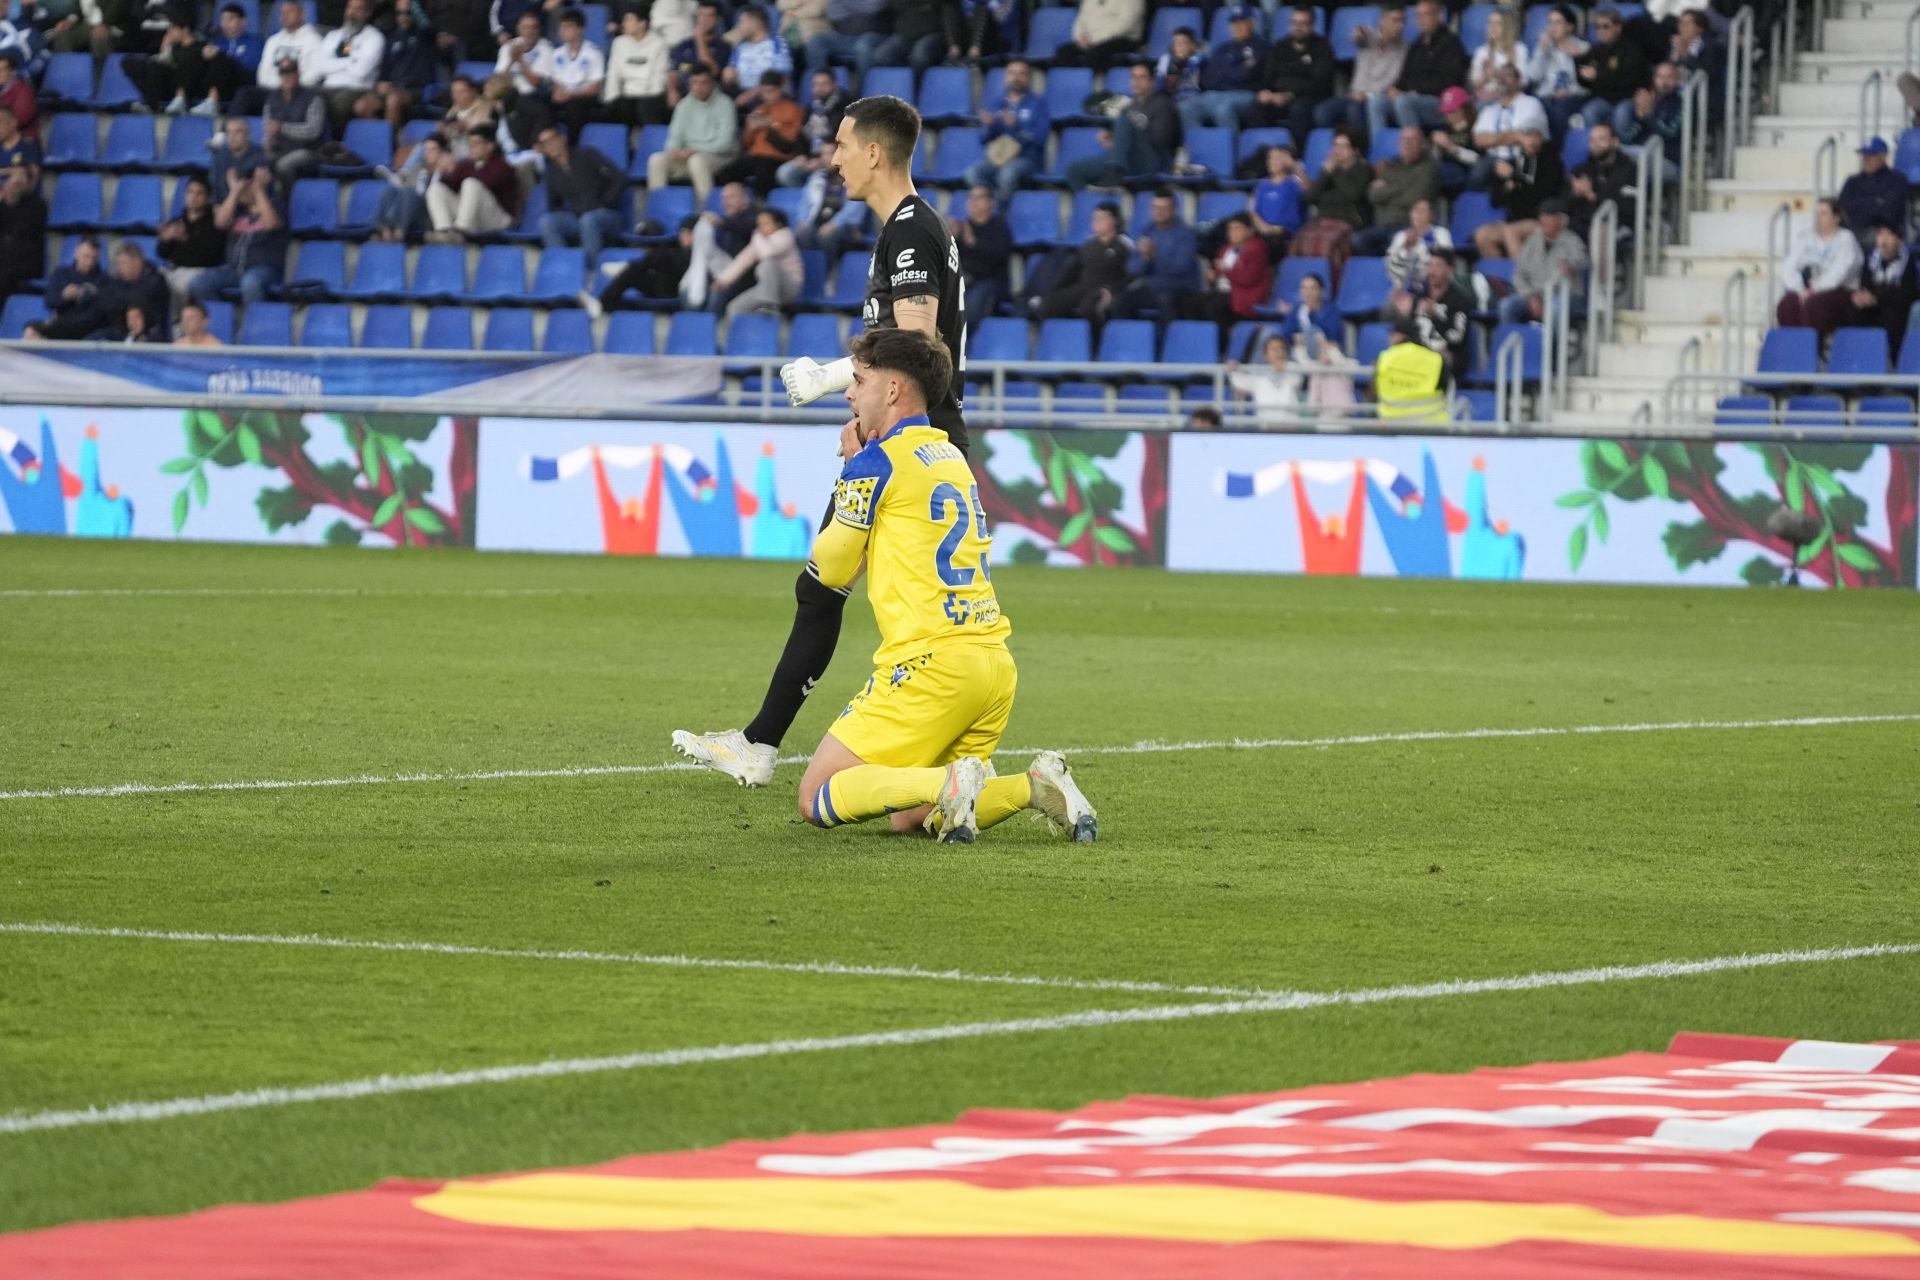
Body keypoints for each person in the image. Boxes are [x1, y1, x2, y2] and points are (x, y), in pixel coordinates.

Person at [673, 93, 973, 786]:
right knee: (830, 587)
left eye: (841, 145)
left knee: (881, 597)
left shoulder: (910, 232)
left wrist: (831, 375)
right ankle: (762, 743)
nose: (832, 159)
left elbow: (919, 342)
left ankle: (939, 764)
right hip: (903, 436)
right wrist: (863, 410)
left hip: (914, 445)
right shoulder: (910, 228)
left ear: (873, 152)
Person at [790, 327, 1098, 845]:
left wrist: (848, 472)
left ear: (891, 391)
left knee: (817, 795)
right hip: (992, 667)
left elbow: (833, 568)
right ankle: (1033, 787)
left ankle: (950, 781)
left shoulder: (874, 462)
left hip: (930, 668)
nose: (848, 393)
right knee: (911, 815)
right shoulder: (952, 457)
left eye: (859, 380)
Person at [1064, 61, 1178, 191]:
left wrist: (1132, 135)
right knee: (1074, 170)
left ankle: (1115, 174)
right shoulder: (1129, 106)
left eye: (1142, 77)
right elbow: (1122, 139)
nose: (1136, 81)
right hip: (1125, 162)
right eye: (1133, 77)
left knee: (1124, 121)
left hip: (1151, 161)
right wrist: (1113, 140)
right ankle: (1090, 204)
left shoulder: (1163, 104)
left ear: (1152, 81)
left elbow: (1161, 142)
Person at [191, 166, 287, 306]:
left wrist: (259, 190)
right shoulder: (237, 210)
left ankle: (253, 325)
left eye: (246, 186)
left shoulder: (275, 205)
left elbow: (271, 224)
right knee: (199, 283)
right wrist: (234, 191)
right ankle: (220, 321)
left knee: (250, 283)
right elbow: (220, 223)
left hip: (265, 269)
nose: (242, 189)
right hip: (234, 269)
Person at [648, 65, 738, 204]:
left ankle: (707, 209)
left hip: (720, 157)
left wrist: (694, 150)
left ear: (712, 83)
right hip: (689, 156)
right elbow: (674, 138)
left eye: (703, 82)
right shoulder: (683, 105)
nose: (698, 87)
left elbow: (724, 144)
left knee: (696, 160)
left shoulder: (725, 104)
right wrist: (674, 151)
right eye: (694, 82)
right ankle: (658, 208)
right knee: (656, 160)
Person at [1775, 197, 1863, 336]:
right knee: (1787, 304)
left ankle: (1811, 351)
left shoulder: (1846, 238)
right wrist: (1800, 290)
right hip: (1807, 290)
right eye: (1817, 213)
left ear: (1836, 218)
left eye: (1823, 213)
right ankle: (1793, 352)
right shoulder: (1806, 238)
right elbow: (1789, 266)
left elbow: (1840, 273)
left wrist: (1814, 290)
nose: (1818, 217)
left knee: (1814, 306)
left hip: (1839, 291)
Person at [536, 124, 625, 262]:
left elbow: (619, 179)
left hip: (607, 214)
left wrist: (605, 202)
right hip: (578, 215)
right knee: (546, 222)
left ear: (562, 139)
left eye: (552, 140)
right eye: (545, 143)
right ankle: (565, 267)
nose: (550, 145)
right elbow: (553, 204)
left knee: (588, 220)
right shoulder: (550, 173)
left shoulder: (587, 154)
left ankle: (589, 271)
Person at [965, 57, 1047, 203]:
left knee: (1007, 174)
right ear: (1005, 77)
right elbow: (982, 139)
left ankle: (1002, 215)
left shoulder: (1038, 104)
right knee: (973, 173)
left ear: (1029, 78)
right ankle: (990, 206)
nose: (1016, 78)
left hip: (1027, 159)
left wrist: (1015, 127)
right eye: (1012, 73)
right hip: (999, 157)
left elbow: (1039, 140)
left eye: (1021, 74)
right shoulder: (995, 103)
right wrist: (988, 126)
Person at [1034, 200, 1131, 323]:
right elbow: (1070, 270)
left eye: (1100, 218)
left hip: (1104, 289)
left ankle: (1095, 341)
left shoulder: (1124, 245)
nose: (1095, 222)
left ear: (1114, 220)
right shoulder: (1089, 245)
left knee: (1090, 308)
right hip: (1084, 287)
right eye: (1094, 218)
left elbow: (1129, 273)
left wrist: (1112, 290)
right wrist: (1053, 290)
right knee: (1051, 302)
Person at [1474, 126, 1564, 259]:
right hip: (1513, 220)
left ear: (1541, 139)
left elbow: (1541, 193)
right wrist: (1506, 187)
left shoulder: (1551, 162)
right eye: (1527, 137)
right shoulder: (1514, 163)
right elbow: (1495, 201)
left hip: (1538, 220)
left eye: (1535, 137)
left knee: (1511, 232)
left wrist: (1514, 177)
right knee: (1482, 235)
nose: (1531, 141)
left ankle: (1520, 277)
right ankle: (1497, 277)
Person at [1182, 212, 1272, 344]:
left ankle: (1222, 348)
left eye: (1237, 228)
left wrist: (1226, 270)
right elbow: (1220, 275)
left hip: (1243, 297)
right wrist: (1212, 277)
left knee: (1215, 307)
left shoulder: (1257, 249)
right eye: (1230, 229)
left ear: (1250, 231)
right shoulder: (1225, 250)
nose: (1232, 233)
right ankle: (1198, 344)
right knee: (1189, 303)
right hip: (1221, 294)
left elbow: (1248, 279)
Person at [1111, 188, 1199, 322]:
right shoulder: (1148, 230)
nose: (1159, 212)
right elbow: (1132, 268)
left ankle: (1168, 341)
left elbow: (1180, 267)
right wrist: (1145, 259)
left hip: (1180, 288)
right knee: (1120, 300)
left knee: (1165, 300)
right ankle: (1132, 340)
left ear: (1174, 209)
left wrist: (1154, 255)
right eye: (1155, 207)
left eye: (1164, 208)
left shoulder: (1186, 234)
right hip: (1151, 287)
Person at [582, 213, 695, 316]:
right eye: (683, 233)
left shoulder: (698, 252)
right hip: (659, 285)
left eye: (689, 234)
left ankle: (625, 266)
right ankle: (602, 304)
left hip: (676, 291)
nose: (685, 238)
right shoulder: (675, 247)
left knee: (662, 255)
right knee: (633, 271)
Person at [716, 69, 806, 194]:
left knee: (763, 174)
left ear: (779, 89)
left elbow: (789, 145)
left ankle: (760, 204)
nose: (767, 95)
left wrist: (771, 125)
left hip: (778, 158)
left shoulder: (793, 110)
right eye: (763, 92)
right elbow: (746, 144)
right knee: (723, 175)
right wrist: (751, 130)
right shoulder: (759, 109)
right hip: (756, 156)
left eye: (771, 91)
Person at [1258, 5, 1337, 145]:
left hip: (1313, 97)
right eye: (1294, 23)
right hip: (1279, 96)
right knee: (1258, 106)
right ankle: (1267, 150)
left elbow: (1320, 83)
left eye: (1303, 24)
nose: (1297, 27)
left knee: (1298, 110)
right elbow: (1269, 75)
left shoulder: (1323, 47)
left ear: (1312, 25)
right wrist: (1266, 92)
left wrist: (1290, 95)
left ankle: (1301, 153)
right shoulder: (1280, 46)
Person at [1501, 196, 1587, 325]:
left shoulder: (1572, 241)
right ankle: (1514, 342)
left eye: (1549, 216)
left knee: (1556, 307)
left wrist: (1570, 266)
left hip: (1565, 296)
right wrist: (1531, 296)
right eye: (1542, 215)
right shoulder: (1532, 242)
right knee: (1507, 305)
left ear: (1561, 220)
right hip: (1535, 295)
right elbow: (1518, 274)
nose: (1543, 220)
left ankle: (1552, 345)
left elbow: (1584, 261)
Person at [427, 125, 520, 240]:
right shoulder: (466, 164)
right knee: (436, 188)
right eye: (469, 143)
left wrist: (460, 173)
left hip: (499, 220)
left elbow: (487, 183)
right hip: (474, 217)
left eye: (476, 143)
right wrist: (447, 172)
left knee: (470, 184)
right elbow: (451, 186)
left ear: (490, 146)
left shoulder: (502, 165)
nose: (471, 147)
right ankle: (444, 232)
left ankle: (460, 231)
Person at [709, 205, 804, 317]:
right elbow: (742, 261)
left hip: (789, 287)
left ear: (778, 225)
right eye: (759, 224)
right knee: (735, 308)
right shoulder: (760, 241)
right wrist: (723, 280)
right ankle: (746, 332)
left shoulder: (785, 235)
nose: (760, 228)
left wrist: (757, 236)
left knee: (766, 265)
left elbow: (767, 253)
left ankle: (770, 306)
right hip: (767, 289)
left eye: (765, 224)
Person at [1356, 125, 1439, 254]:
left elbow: (1416, 198)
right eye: (1403, 139)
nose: (1407, 143)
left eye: (1412, 140)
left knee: (1396, 240)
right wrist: (1406, 184)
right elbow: (1373, 195)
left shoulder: (1428, 167)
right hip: (1383, 224)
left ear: (1422, 144)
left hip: (1408, 224)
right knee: (1358, 240)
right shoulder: (1391, 165)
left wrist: (1387, 191)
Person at [1181, 5, 1265, 131]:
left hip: (1244, 94)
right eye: (1234, 23)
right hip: (1215, 93)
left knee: (1223, 109)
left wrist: (1226, 71)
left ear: (1252, 23)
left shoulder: (1261, 47)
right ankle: (1198, 145)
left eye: (1241, 23)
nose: (1236, 27)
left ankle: (1229, 149)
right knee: (1186, 107)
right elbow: (1209, 78)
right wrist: (1236, 68)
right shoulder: (1223, 48)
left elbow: (1247, 75)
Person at [1392, 0, 1469, 131]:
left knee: (1403, 102)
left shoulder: (1451, 42)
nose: (1421, 20)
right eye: (1418, 15)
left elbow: (1451, 81)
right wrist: (1395, 88)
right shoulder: (1416, 45)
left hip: (1440, 102)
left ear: (1439, 16)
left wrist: (1417, 91)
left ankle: (1416, 145)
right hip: (1414, 97)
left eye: (1425, 14)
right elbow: (1405, 76)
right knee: (1378, 102)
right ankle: (1378, 147)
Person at [1468, 65, 1547, 191]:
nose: (1502, 80)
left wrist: (1494, 139)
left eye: (1507, 76)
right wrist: (1515, 136)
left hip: (1521, 157)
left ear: (1518, 81)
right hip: (1493, 160)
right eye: (1499, 77)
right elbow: (1478, 140)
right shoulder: (1489, 110)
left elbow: (1530, 140)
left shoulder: (1531, 104)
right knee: (1476, 175)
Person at [238, 0, 323, 117]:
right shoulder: (273, 41)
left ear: (302, 14)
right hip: (272, 90)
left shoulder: (313, 40)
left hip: (298, 92)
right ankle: (225, 132)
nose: (285, 16)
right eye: (282, 13)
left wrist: (290, 85)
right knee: (245, 94)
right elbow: (262, 74)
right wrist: (280, 85)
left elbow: (315, 74)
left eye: (289, 12)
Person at [1397, 246, 1473, 372]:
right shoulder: (1419, 298)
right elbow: (1409, 329)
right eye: (1430, 265)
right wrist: (1399, 327)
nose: (1432, 271)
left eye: (1438, 266)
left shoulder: (1459, 301)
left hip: (1445, 357)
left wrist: (1434, 316)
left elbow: (1456, 338)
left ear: (1449, 270)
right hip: (1417, 354)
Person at [310, 0, 385, 126]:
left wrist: (334, 63)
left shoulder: (374, 37)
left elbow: (360, 72)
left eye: (358, 9)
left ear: (367, 13)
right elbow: (320, 67)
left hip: (357, 88)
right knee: (308, 96)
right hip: (329, 86)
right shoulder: (333, 36)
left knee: (339, 103)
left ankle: (338, 141)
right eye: (350, 8)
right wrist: (351, 60)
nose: (352, 13)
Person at [1575, 6, 1649, 135]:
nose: (1600, 31)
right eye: (1597, 27)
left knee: (1621, 114)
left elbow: (1630, 80)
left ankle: (1623, 152)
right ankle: (1597, 149)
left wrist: (1598, 75)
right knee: (1589, 111)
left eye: (1605, 26)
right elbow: (1585, 81)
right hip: (1604, 99)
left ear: (1618, 27)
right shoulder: (1596, 50)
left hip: (1628, 98)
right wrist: (1580, 66)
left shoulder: (1631, 49)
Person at [368, 1, 438, 132]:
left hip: (417, 89)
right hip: (394, 87)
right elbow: (384, 70)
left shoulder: (424, 36)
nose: (403, 17)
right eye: (399, 13)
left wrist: (413, 4)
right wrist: (382, 83)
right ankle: (377, 139)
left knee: (393, 100)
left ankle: (390, 144)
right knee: (364, 105)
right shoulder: (392, 38)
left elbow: (428, 27)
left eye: (408, 13)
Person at [157, 174, 226, 306]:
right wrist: (165, 240)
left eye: (199, 193)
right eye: (190, 192)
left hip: (198, 271)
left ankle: (179, 323)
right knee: (152, 281)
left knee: (182, 284)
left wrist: (185, 239)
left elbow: (211, 256)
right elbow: (162, 253)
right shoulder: (177, 221)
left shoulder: (215, 223)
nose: (193, 197)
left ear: (208, 198)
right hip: (173, 269)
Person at [1341, 6, 1406, 142]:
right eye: (1395, 20)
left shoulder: (1404, 49)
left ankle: (1363, 152)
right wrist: (1359, 32)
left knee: (1354, 110)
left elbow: (1393, 79)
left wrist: (1366, 94)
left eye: (1402, 21)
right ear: (1382, 20)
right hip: (1354, 94)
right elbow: (1359, 37)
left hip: (1376, 97)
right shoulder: (1369, 38)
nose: (1399, 26)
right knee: (1323, 112)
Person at [542, 7, 608, 141]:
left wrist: (571, 94)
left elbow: (595, 88)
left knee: (575, 105)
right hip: (565, 94)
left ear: (580, 29)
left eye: (568, 27)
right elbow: (557, 81)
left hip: (585, 96)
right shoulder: (557, 53)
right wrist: (558, 93)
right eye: (562, 27)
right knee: (540, 102)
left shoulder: (594, 53)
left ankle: (572, 145)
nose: (563, 31)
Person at [1566, 119, 1635, 243]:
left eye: (1601, 139)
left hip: (1618, 224)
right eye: (1592, 140)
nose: (1595, 144)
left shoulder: (1628, 168)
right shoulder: (1584, 168)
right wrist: (1575, 192)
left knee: (1601, 230)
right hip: (1584, 224)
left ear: (1615, 142)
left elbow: (1627, 205)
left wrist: (1593, 196)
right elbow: (1566, 200)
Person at [1526, 4, 1588, 139]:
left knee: (1559, 111)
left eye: (1558, 22)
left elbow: (1587, 85)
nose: (1552, 27)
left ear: (1570, 27)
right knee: (1529, 109)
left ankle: (1558, 152)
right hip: (1544, 96)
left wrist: (1578, 58)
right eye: (1550, 22)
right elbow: (1533, 77)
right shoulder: (1543, 46)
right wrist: (1541, 52)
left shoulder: (1583, 48)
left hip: (1570, 97)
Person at [262, 56, 327, 186]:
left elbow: (313, 131)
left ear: (298, 74)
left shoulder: (313, 97)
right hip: (280, 147)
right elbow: (268, 126)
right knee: (258, 162)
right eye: (283, 73)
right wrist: (268, 140)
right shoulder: (273, 98)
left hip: (308, 150)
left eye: (290, 73)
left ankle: (289, 201)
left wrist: (283, 128)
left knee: (284, 165)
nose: (287, 77)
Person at [25, 234, 104, 338]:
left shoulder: (104, 280)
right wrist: (64, 296)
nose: (89, 262)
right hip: (61, 325)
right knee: (30, 330)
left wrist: (85, 297)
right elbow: (49, 301)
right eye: (86, 256)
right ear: (76, 253)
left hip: (86, 328)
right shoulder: (62, 273)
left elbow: (97, 314)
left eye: (94, 258)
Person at [1617, 59, 1683, 184]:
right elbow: (1628, 138)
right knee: (1616, 152)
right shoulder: (1651, 103)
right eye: (1660, 77)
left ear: (1677, 80)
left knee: (1628, 154)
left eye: (1669, 77)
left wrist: (1649, 114)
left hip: (1669, 162)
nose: (1664, 81)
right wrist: (1639, 117)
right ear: (1654, 80)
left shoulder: (1682, 104)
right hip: (1642, 155)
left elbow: (1670, 133)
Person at [372, 129, 445, 240]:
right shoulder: (418, 169)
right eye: (426, 150)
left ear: (442, 151)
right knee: (390, 190)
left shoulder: (446, 172)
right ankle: (382, 230)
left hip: (430, 216)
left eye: (433, 150)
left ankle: (398, 232)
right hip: (411, 213)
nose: (428, 154)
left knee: (409, 192)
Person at [604, 6, 670, 127]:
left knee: (646, 107)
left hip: (650, 96)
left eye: (628, 20)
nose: (624, 24)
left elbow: (658, 77)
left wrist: (648, 97)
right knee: (615, 107)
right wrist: (611, 98)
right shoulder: (619, 42)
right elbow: (613, 73)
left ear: (642, 23)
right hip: (625, 95)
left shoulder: (659, 43)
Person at [1838, 138, 1910, 250]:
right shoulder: (1852, 181)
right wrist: (1875, 201)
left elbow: (1890, 211)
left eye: (1871, 155)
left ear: (1883, 156)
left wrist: (1859, 205)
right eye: (1864, 155)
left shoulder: (1897, 179)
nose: (1866, 159)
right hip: (1852, 231)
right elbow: (1842, 208)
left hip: (1882, 232)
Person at [1851, 221, 1915, 346]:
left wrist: (1877, 298)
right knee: (1854, 309)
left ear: (1899, 240)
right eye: (1880, 234)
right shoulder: (1871, 260)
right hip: (1874, 303)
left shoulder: (1907, 261)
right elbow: (1865, 285)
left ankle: (1894, 359)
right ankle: (1858, 353)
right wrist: (1861, 296)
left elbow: (1908, 293)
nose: (1883, 240)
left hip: (1895, 305)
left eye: (1889, 235)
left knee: (1894, 314)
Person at [777, 68, 844, 187]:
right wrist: (800, 155)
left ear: (834, 84)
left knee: (816, 181)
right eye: (816, 84)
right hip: (811, 158)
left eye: (824, 83)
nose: (820, 88)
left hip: (833, 160)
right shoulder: (811, 107)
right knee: (784, 173)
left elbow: (845, 140)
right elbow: (801, 134)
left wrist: (821, 160)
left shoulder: (846, 105)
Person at [954, 184, 1011, 323]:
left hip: (991, 280)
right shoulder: (961, 226)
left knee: (972, 305)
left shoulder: (999, 227)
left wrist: (973, 242)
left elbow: (998, 256)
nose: (973, 201)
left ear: (991, 203)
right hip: (965, 277)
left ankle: (962, 342)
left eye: (979, 197)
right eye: (971, 197)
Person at [1374, 314, 1447, 421]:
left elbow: (1374, 388)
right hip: (1430, 423)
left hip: (1392, 422)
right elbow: (1445, 387)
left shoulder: (1385, 357)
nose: (1389, 339)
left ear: (1401, 336)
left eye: (1392, 334)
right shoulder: (1435, 358)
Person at [1051, 0, 1144, 76]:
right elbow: (1081, 19)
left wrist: (1095, 38)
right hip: (1090, 40)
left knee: (1094, 54)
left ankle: (1095, 90)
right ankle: (1072, 87)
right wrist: (1080, 37)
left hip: (1124, 38)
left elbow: (1125, 24)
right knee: (1064, 52)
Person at [1227, 332, 1303, 422]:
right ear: (1266, 355)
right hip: (1265, 426)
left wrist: (1283, 369)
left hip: (1290, 425)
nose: (1278, 352)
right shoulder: (1259, 374)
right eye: (1273, 349)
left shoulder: (1293, 368)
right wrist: (1233, 370)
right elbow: (1239, 382)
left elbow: (1296, 381)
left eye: (1281, 348)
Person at [801, 0, 882, 82]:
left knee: (863, 46)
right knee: (817, 41)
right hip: (843, 35)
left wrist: (844, 5)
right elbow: (832, 14)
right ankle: (821, 87)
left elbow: (874, 6)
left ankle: (864, 90)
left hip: (873, 35)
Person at [870, 0, 957, 76]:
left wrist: (952, 43)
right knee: (881, 56)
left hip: (933, 33)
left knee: (919, 57)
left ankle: (918, 89)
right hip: (906, 33)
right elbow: (895, 6)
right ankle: (904, 81)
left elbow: (950, 16)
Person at [1248, 143, 1306, 255]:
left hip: (1285, 232)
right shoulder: (1261, 185)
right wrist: (1263, 226)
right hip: (1263, 230)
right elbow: (1252, 211)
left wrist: (1293, 166)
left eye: (1277, 158)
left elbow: (1310, 190)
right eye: (1270, 158)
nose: (1271, 161)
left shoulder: (1295, 182)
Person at [1383, 197, 1451, 290]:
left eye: (1422, 210)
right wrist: (1406, 247)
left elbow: (1445, 260)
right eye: (1415, 210)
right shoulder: (1401, 236)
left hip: (1433, 284)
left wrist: (1418, 246)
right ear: (1410, 215)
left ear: (1431, 216)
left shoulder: (1441, 233)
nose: (1418, 214)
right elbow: (1391, 263)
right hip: (1404, 285)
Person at [0, 167, 46, 302]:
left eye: (22, 177)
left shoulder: (37, 205)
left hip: (25, 262)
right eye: (13, 178)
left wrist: (13, 198)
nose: (17, 181)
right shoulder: (3, 205)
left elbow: (23, 230)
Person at [1427, 84, 1480, 191]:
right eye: (1446, 112)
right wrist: (1435, 146)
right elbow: (1436, 159)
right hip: (1443, 167)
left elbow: (1478, 160)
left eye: (1451, 111)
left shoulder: (1476, 127)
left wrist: (1451, 146)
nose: (1448, 115)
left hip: (1462, 170)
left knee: (1430, 173)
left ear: (1464, 109)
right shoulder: (1446, 127)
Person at [1468, 5, 1523, 104]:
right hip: (1484, 97)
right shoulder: (1481, 51)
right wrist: (1485, 76)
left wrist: (1498, 75)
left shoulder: (1519, 49)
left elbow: (1523, 83)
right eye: (1490, 23)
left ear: (1507, 26)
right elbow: (1474, 85)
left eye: (1498, 23)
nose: (1492, 27)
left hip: (1510, 98)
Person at [211, 114, 269, 204]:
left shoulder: (260, 157)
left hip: (252, 209)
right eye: (229, 132)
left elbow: (254, 197)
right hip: (226, 207)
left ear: (248, 134)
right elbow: (216, 192)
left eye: (238, 132)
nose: (232, 136)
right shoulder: (220, 157)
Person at [494, 9, 553, 95]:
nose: (529, 32)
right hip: (508, 92)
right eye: (525, 27)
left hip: (531, 95)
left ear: (539, 30)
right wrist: (511, 61)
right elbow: (498, 79)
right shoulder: (508, 47)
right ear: (518, 29)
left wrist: (520, 60)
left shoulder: (547, 50)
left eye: (534, 27)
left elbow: (536, 82)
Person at [1154, 26, 1205, 110]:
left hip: (1192, 101)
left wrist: (1179, 65)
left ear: (1193, 46)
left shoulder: (1198, 60)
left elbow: (1188, 72)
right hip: (1171, 101)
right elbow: (1158, 87)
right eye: (1176, 43)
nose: (1179, 46)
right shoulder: (1166, 60)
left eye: (1183, 43)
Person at [0, 102, 40, 190]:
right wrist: (9, 171)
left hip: (20, 199)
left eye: (1, 122)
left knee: (18, 177)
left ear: (13, 123)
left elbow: (33, 179)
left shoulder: (28, 145)